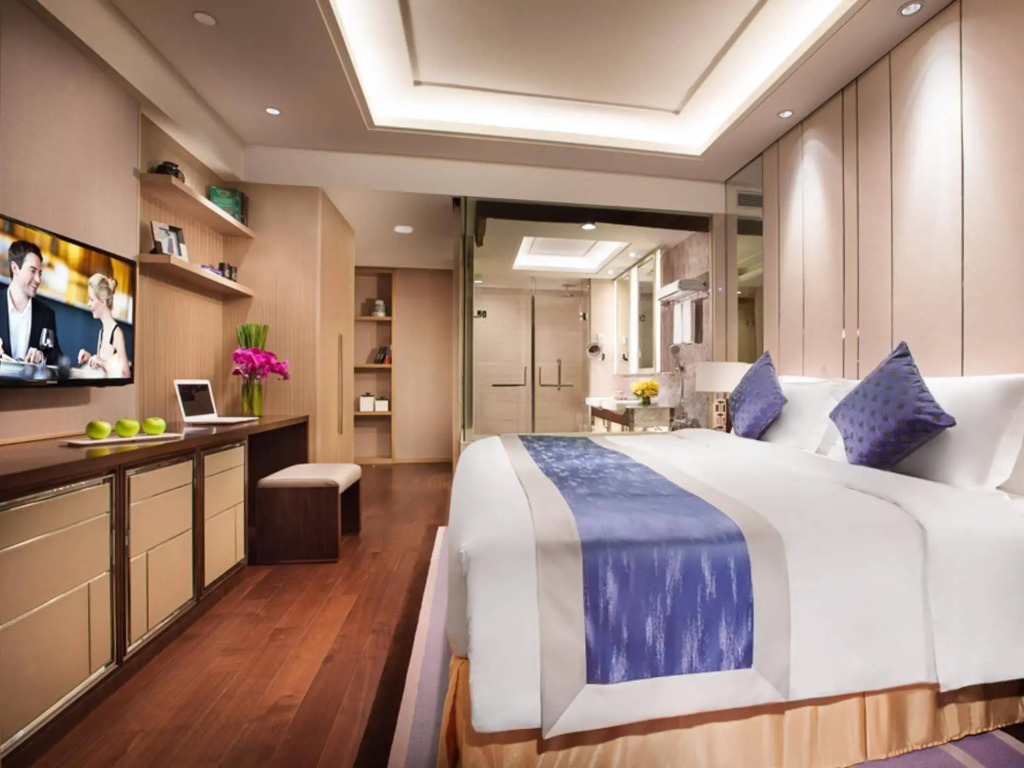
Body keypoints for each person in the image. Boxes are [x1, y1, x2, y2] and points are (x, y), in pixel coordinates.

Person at [0, 240, 62, 365]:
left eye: (40, 273)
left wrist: (42, 357)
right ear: (15, 268)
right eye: (33, 271)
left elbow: (57, 358)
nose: (38, 280)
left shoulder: (47, 315)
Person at [77, 273, 130, 378]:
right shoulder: (102, 332)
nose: (89, 304)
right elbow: (105, 370)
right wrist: (90, 359)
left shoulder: (117, 333)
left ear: (102, 302)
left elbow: (126, 375)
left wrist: (102, 363)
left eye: (91, 299)